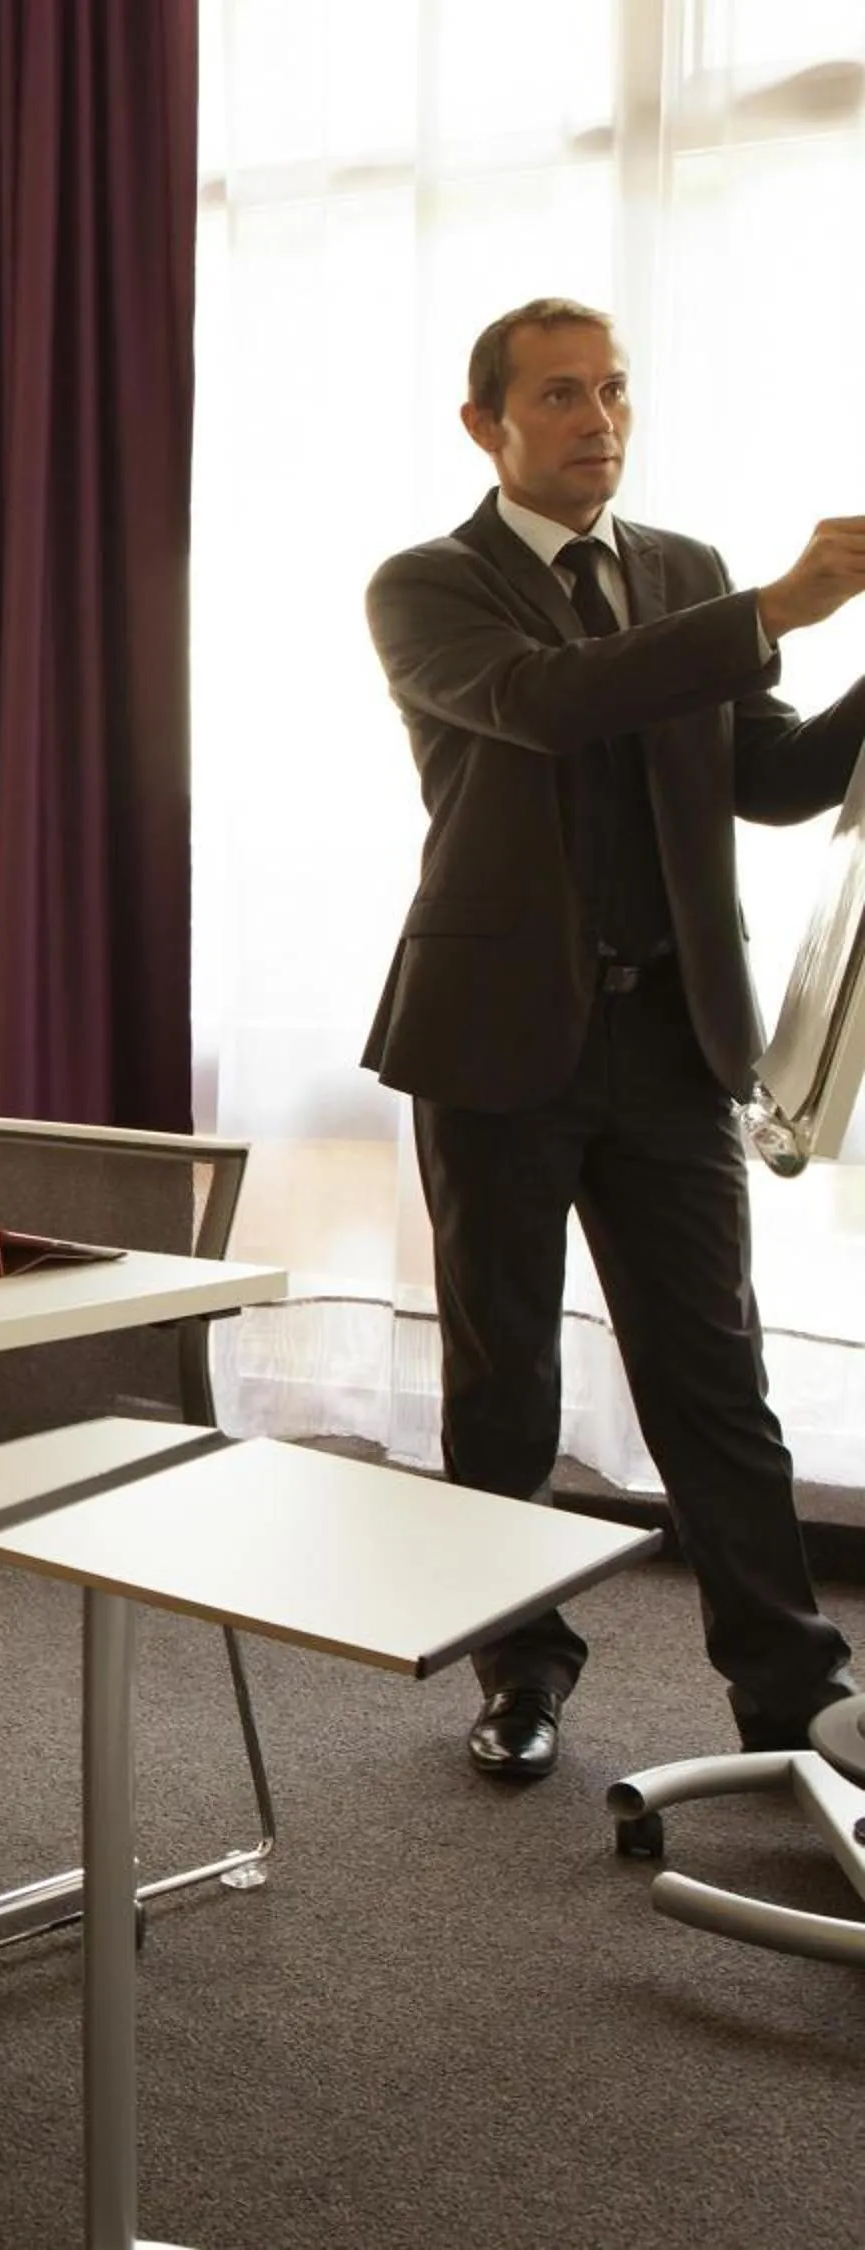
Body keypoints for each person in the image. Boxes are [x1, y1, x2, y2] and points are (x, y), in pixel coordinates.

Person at [363, 297, 865, 1781]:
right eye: (564, 396)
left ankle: (793, 1689)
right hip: (494, 1042)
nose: (600, 421)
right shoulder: (426, 587)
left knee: (716, 1378)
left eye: (617, 393)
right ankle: (524, 1669)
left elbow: (761, 777)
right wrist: (771, 612)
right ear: (488, 426)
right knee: (503, 1383)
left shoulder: (687, 574)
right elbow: (549, 702)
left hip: (674, 1044)